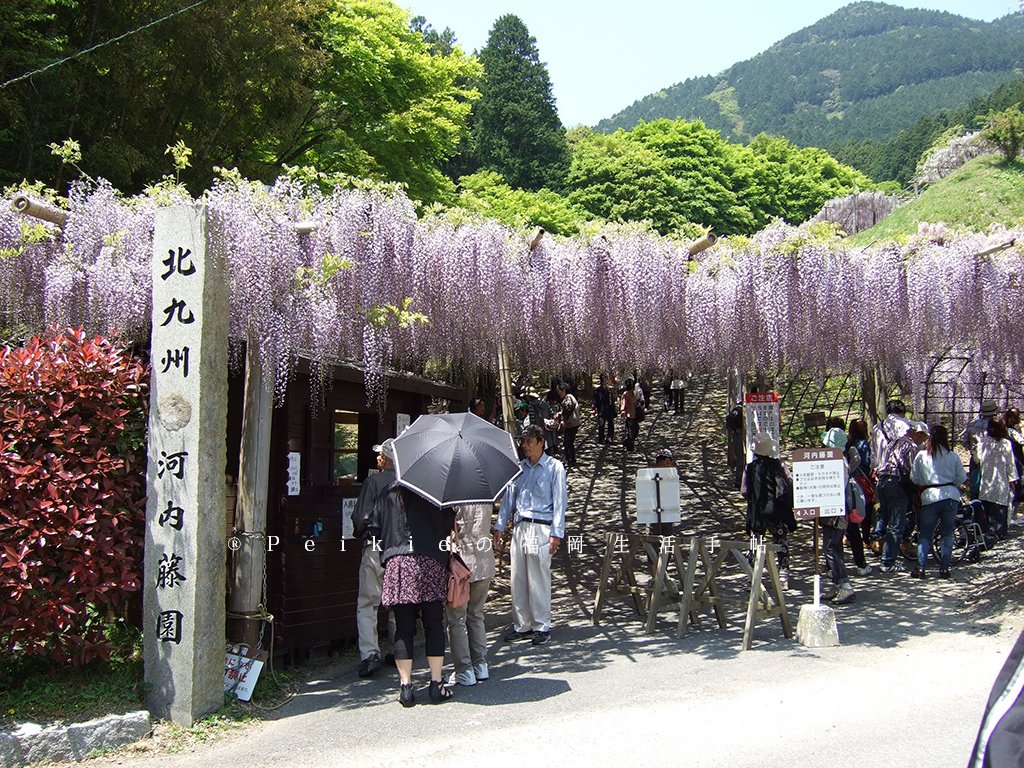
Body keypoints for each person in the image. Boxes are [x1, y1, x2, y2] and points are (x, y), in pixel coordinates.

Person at [377, 484, 456, 706]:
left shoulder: (388, 492)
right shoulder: (433, 491)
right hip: (430, 559)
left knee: (404, 627)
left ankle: (406, 688)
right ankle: (436, 684)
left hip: (398, 563)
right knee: (434, 624)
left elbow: (373, 526)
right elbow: (447, 524)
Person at [492, 425, 567, 646]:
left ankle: (542, 625)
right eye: (523, 442)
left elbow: (560, 503)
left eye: (528, 441)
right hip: (520, 526)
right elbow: (509, 498)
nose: (525, 446)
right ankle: (522, 625)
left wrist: (556, 533)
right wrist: (499, 526)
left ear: (541, 441)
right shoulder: (519, 468)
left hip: (542, 526)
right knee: (518, 577)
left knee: (538, 577)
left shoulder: (555, 467)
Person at [351, 439, 396, 678]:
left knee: (368, 602)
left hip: (376, 545)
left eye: (380, 455)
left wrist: (360, 532)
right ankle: (398, 648)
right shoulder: (406, 482)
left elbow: (360, 517)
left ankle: (370, 654)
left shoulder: (373, 482)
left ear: (385, 459)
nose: (377, 458)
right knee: (397, 602)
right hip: (400, 547)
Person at [446, 503, 495, 687]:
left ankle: (464, 669)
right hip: (484, 560)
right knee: (476, 614)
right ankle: (481, 664)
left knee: (457, 619)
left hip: (461, 564)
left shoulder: (454, 498)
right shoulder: (485, 494)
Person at [740, 431, 797, 590]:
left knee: (754, 543)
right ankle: (783, 576)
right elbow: (785, 488)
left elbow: (744, 491)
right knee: (781, 543)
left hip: (757, 513)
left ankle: (750, 577)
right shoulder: (778, 465)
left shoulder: (749, 468)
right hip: (776, 512)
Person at [909, 423, 966, 578]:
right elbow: (962, 477)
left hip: (930, 496)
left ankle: (921, 568)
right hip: (950, 496)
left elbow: (914, 478)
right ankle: (944, 568)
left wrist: (925, 481)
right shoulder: (952, 456)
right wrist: (952, 483)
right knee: (947, 533)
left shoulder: (921, 455)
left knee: (925, 534)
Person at [876, 421, 928, 573]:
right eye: (923, 437)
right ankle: (888, 561)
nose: (923, 441)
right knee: (896, 524)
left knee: (886, 520)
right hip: (895, 483)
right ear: (917, 433)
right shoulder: (910, 446)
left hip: (882, 482)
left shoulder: (893, 443)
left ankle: (884, 554)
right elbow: (911, 471)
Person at [821, 426, 855, 604]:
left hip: (836, 510)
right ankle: (836, 583)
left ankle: (845, 585)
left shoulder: (837, 461)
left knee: (831, 548)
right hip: (837, 510)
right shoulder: (841, 459)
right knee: (832, 547)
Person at [977, 416, 1018, 540]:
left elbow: (977, 458)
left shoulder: (983, 442)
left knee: (986, 504)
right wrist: (1012, 480)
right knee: (999, 505)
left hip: (986, 479)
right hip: (1001, 479)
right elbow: (1010, 463)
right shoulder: (1005, 443)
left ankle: (987, 530)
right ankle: (998, 531)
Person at [962, 399, 999, 500]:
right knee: (991, 490)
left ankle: (976, 511)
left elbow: (965, 443)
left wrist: (974, 447)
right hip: (993, 460)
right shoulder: (997, 425)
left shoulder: (972, 424)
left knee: (975, 489)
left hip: (975, 459)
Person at [555, 381, 581, 470]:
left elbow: (568, 408)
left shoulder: (569, 397)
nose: (558, 393)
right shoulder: (568, 397)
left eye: (559, 391)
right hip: (572, 423)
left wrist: (562, 417)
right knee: (568, 442)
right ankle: (571, 459)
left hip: (572, 423)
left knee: (567, 442)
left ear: (564, 390)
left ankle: (569, 459)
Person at [593, 373, 616, 445]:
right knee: (601, 424)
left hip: (609, 409)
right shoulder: (598, 390)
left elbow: (613, 400)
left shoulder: (610, 390)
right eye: (603, 380)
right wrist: (594, 408)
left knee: (611, 424)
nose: (605, 382)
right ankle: (601, 438)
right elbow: (595, 400)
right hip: (601, 410)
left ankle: (610, 437)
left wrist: (614, 407)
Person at [620, 379, 638, 452]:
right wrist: (623, 412)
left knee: (636, 429)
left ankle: (627, 442)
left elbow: (635, 403)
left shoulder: (632, 394)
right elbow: (623, 404)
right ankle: (630, 446)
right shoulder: (625, 394)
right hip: (629, 416)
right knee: (631, 432)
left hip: (634, 415)